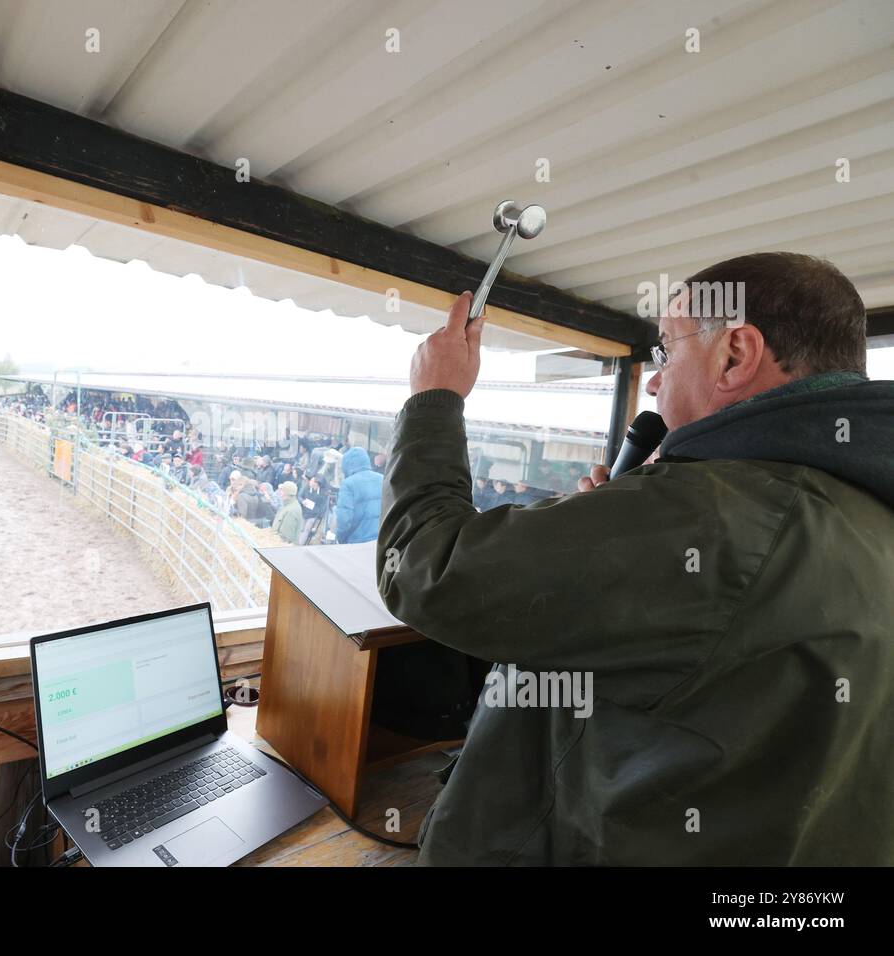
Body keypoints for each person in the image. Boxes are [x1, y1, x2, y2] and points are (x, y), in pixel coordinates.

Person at [378, 254, 894, 865]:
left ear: (735, 353)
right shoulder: (862, 507)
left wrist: (434, 399)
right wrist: (610, 533)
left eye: (667, 352)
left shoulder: (714, 513)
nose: (653, 381)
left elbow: (425, 568)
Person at [334, 446, 382, 544]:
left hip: (357, 542)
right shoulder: (382, 479)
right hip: (381, 541)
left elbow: (344, 520)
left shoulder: (348, 484)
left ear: (346, 465)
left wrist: (341, 539)